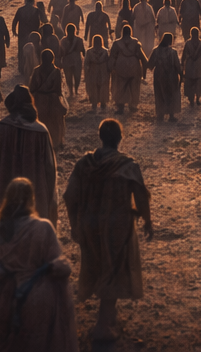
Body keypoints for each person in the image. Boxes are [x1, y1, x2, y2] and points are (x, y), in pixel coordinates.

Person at [64, 119, 154, 344]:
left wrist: (75, 224)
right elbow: (141, 196)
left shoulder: (84, 164)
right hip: (117, 226)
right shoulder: (127, 165)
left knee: (97, 264)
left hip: (89, 224)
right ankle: (103, 325)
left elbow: (70, 196)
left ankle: (107, 315)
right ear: (120, 139)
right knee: (112, 270)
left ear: (100, 137)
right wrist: (148, 221)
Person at [0, 178, 78, 352]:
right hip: (37, 300)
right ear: (31, 199)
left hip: (3, 301)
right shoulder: (43, 228)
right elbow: (59, 266)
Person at [0, 87, 59, 225]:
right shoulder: (41, 132)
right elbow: (50, 170)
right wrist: (48, 200)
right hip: (35, 201)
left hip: (3, 200)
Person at [29, 48, 68, 149]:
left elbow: (32, 88)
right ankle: (54, 143)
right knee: (54, 123)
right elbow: (58, 90)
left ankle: (40, 143)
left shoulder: (36, 71)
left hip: (39, 101)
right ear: (52, 59)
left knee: (40, 122)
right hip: (53, 101)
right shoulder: (56, 72)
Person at [108, 23, 147, 115]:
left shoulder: (117, 43)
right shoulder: (136, 42)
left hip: (120, 65)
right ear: (130, 32)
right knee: (134, 85)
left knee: (120, 86)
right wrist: (144, 71)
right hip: (134, 65)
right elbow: (142, 57)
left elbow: (112, 56)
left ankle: (120, 106)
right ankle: (132, 105)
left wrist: (111, 68)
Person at [148, 32, 184, 123]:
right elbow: (177, 66)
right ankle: (171, 115)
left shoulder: (156, 50)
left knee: (159, 94)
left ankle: (160, 115)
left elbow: (150, 65)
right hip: (171, 76)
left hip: (159, 75)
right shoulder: (173, 52)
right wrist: (181, 75)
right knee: (171, 94)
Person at [181, 26, 201, 108]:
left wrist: (182, 66)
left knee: (190, 82)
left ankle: (191, 99)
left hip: (190, 64)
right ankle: (197, 98)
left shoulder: (188, 43)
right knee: (199, 82)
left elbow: (183, 56)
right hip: (200, 64)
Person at [83, 35, 112, 112]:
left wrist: (87, 71)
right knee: (98, 87)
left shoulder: (90, 52)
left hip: (97, 71)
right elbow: (86, 63)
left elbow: (86, 63)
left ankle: (99, 103)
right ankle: (97, 103)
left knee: (98, 87)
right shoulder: (105, 51)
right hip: (99, 71)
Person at [59, 24, 85, 100]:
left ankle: (75, 90)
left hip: (75, 61)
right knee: (69, 77)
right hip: (69, 61)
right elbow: (60, 52)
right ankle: (71, 91)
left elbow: (83, 50)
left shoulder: (78, 40)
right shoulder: (63, 41)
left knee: (77, 77)